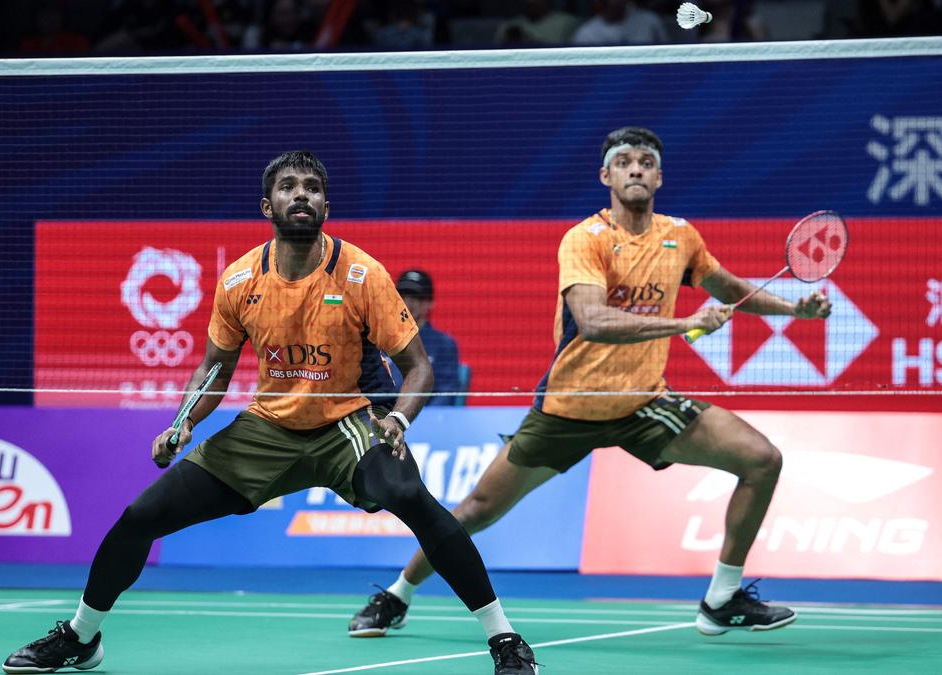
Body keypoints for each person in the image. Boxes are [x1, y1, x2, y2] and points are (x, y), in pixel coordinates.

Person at [2, 151, 538, 675]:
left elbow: (418, 368)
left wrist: (397, 420)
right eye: (288, 187)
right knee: (141, 518)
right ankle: (81, 637)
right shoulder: (240, 280)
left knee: (410, 497)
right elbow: (214, 369)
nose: (301, 195)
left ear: (325, 206)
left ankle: (505, 638)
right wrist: (183, 423)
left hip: (347, 422)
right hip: (266, 429)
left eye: (312, 187)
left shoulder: (361, 274)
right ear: (267, 206)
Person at [348, 127, 831, 640]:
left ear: (659, 177)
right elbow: (595, 321)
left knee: (762, 459)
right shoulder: (585, 239)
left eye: (646, 161)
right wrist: (686, 324)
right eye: (624, 161)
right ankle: (396, 594)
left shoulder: (681, 236)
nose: (636, 168)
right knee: (477, 509)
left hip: (643, 402)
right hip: (569, 407)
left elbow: (727, 286)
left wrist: (792, 310)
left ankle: (722, 599)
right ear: (606, 175)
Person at [392, 269, 462, 406]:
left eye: (416, 297)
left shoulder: (444, 344)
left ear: (430, 303)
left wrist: (411, 416)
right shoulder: (379, 340)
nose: (408, 303)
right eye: (403, 296)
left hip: (425, 416)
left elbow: (446, 394)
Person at [572, 0, 669, 46]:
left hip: (646, 76)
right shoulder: (585, 34)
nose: (613, 4)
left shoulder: (650, 21)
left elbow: (666, 55)